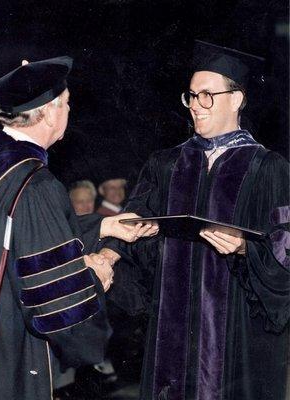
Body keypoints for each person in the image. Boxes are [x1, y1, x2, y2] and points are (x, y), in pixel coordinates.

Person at [100, 41, 290, 400]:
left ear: (237, 99)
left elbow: (286, 247)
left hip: (237, 333)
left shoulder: (269, 169)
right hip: (172, 331)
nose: (196, 107)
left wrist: (246, 248)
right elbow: (130, 226)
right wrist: (129, 244)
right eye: (191, 96)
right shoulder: (166, 164)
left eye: (207, 96)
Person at [0, 56, 158, 400]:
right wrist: (93, 281)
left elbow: (17, 234)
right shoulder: (33, 184)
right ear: (51, 110)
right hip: (2, 348)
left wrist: (103, 225)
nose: (69, 112)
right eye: (67, 103)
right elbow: (55, 300)